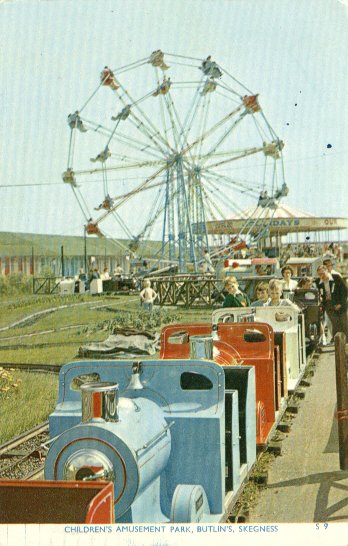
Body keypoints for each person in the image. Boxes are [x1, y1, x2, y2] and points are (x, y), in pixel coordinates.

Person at [316, 265, 347, 339]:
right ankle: (338, 344)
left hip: (340, 304)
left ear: (327, 271)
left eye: (323, 273)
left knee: (344, 324)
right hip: (329, 305)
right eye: (319, 274)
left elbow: (345, 291)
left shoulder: (336, 278)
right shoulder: (318, 282)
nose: (321, 276)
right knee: (336, 324)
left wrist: (340, 304)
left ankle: (346, 343)